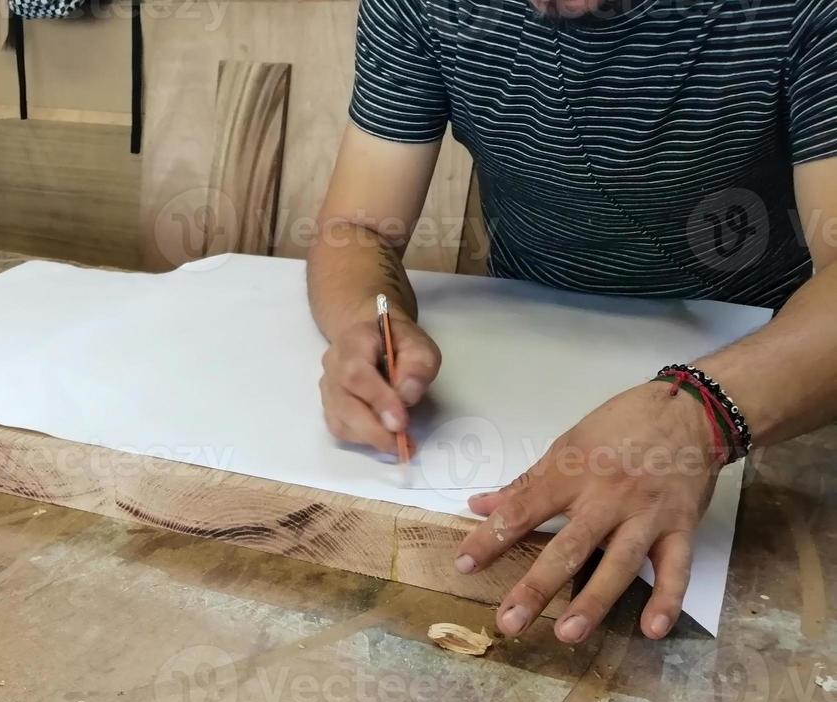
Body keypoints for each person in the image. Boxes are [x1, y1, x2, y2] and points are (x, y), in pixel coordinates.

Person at [309, 0, 837, 645]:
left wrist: (701, 414)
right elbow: (359, 229)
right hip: (527, 366)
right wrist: (370, 321)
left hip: (774, 382)